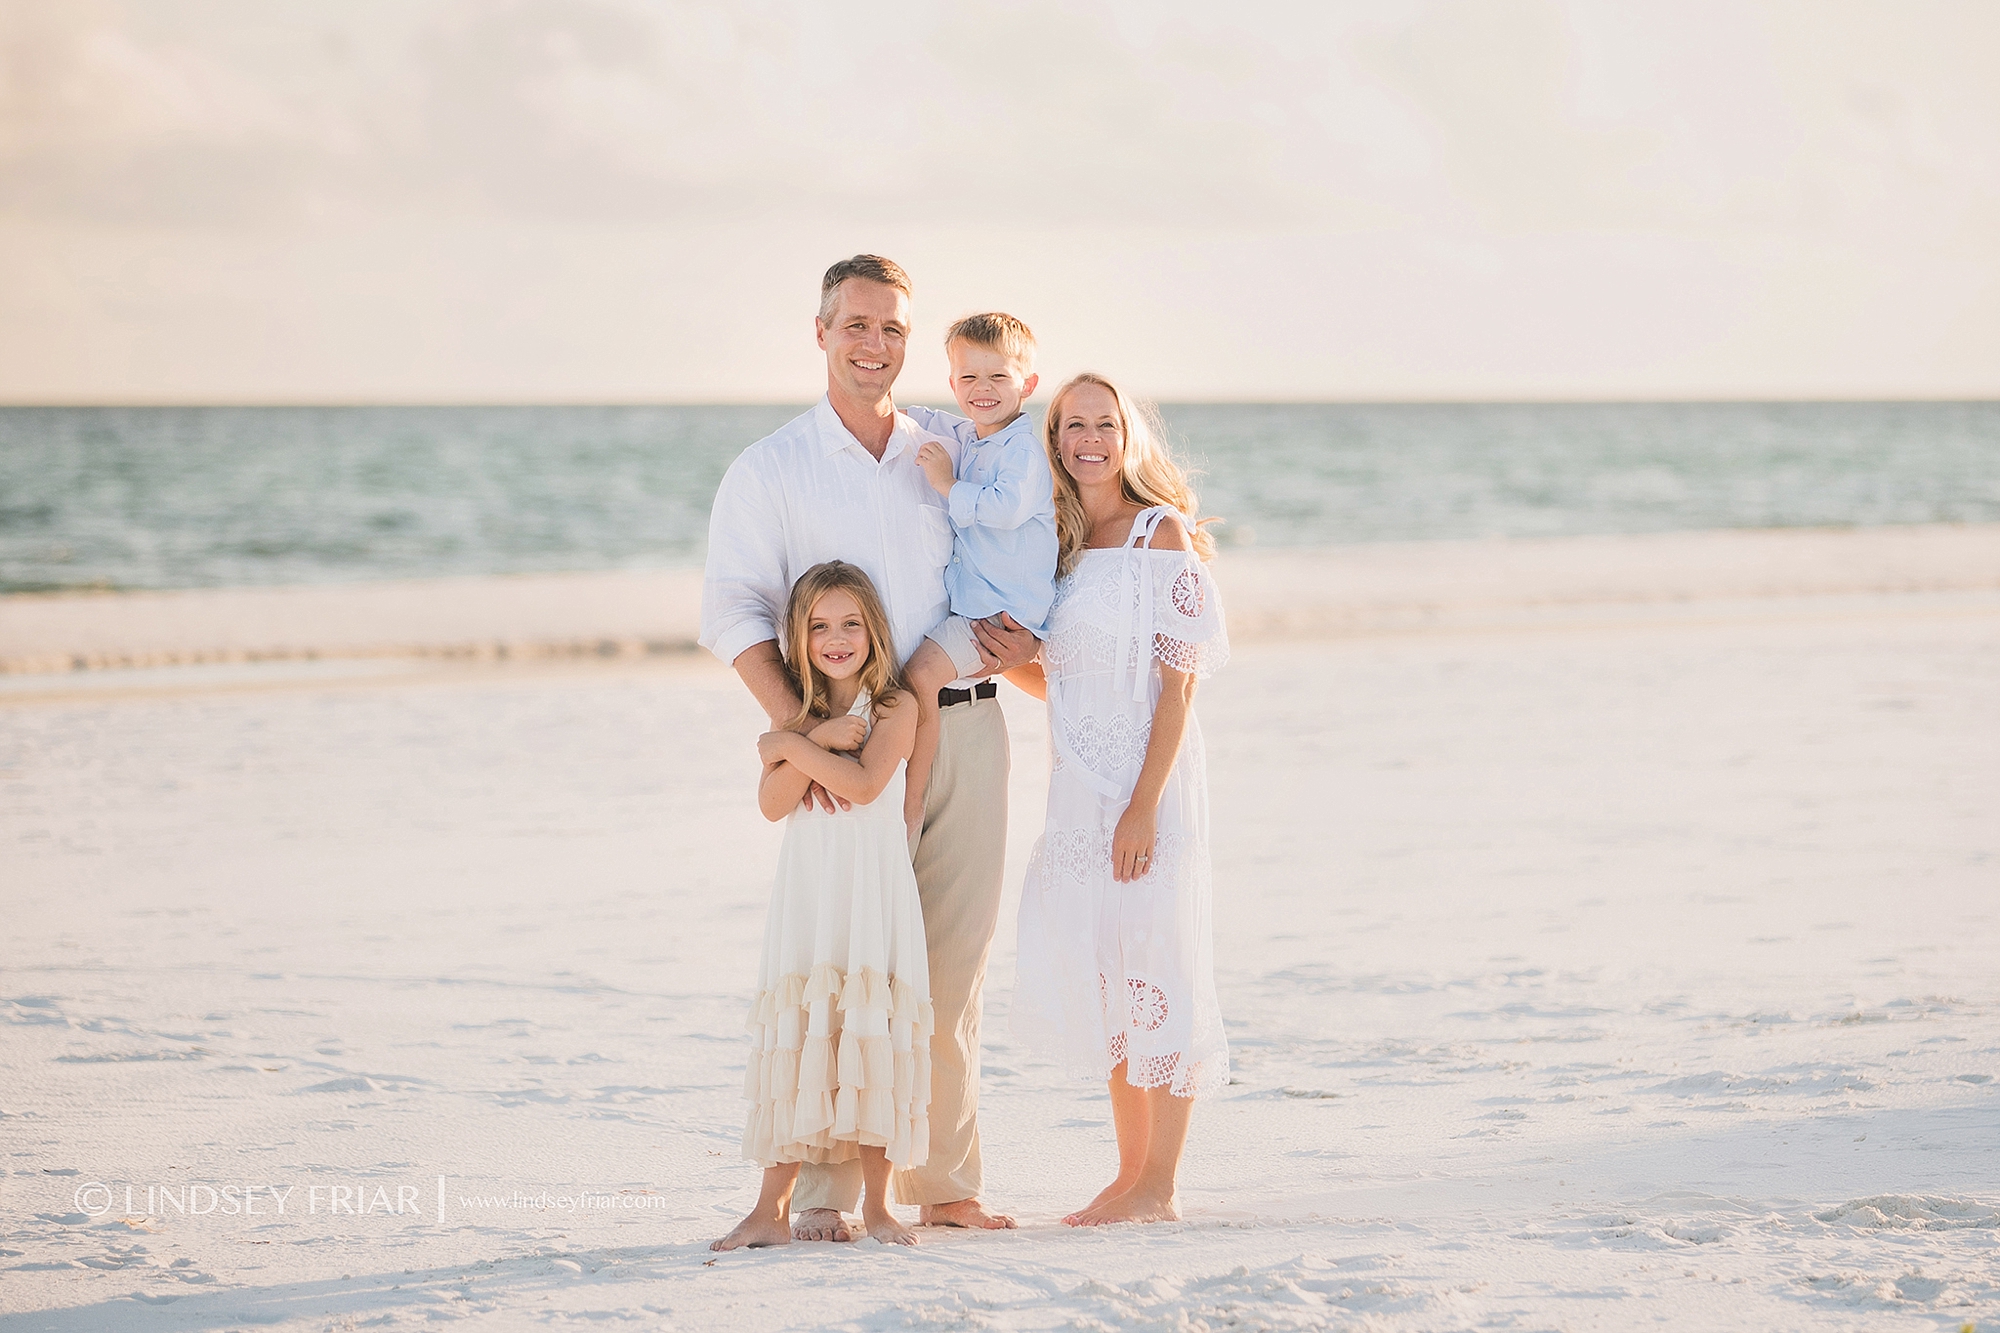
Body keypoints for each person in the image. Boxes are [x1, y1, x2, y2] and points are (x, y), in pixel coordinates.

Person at [700, 255, 1036, 1240]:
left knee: (950, 965)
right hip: (849, 743)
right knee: (845, 961)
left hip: (966, 722)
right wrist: (805, 729)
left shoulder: (951, 445)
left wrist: (1032, 638)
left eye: (891, 327)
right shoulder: (771, 467)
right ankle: (820, 1190)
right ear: (819, 333)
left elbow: (1026, 532)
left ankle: (943, 1183)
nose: (872, 343)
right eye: (854, 324)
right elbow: (733, 612)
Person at [1001, 372, 1231, 1226]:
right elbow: (1068, 680)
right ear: (1054, 438)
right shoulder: (1061, 539)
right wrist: (1008, 657)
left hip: (1148, 789)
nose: (1088, 438)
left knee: (1158, 968)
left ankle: (1161, 1185)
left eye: (1105, 423)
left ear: (1129, 437)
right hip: (1080, 788)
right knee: (1110, 978)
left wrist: (1143, 805)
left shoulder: (1157, 534)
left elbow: (1178, 687)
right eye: (1072, 425)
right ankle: (1130, 1173)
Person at [713, 562, 930, 1251]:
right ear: (798, 638)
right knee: (803, 1035)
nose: (836, 639)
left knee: (871, 1033)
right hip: (810, 895)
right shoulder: (804, 715)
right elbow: (772, 804)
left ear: (874, 629)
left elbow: (866, 786)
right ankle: (769, 1208)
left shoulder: (894, 707)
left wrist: (789, 748)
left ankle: (879, 1204)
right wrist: (801, 739)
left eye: (850, 624)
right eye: (818, 626)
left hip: (871, 890)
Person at [898, 312, 1059, 842]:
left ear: (1027, 385)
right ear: (952, 383)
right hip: (980, 606)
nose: (981, 390)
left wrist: (945, 484)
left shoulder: (1022, 453)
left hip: (1000, 614)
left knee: (918, 677)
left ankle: (912, 792)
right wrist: (888, 410)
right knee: (916, 677)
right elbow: (926, 417)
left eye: (998, 378)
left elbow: (1003, 508)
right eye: (968, 378)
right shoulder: (975, 436)